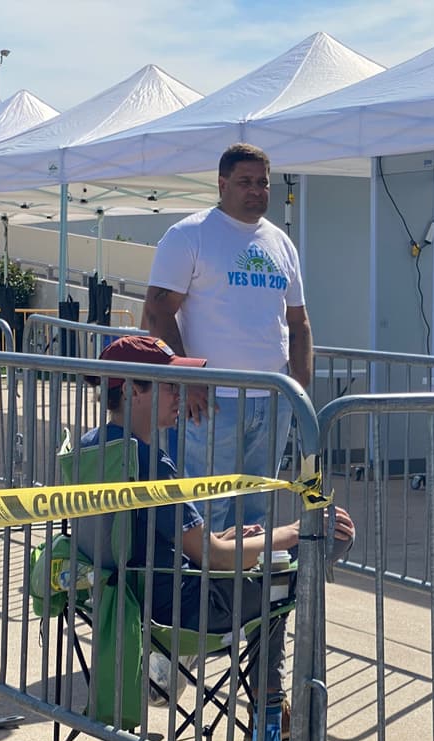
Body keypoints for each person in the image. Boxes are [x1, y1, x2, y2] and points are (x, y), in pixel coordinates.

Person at [73, 335, 353, 709]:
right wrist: (293, 532)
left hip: (125, 598)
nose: (181, 394)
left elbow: (142, 537)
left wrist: (225, 536)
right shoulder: (150, 462)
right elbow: (215, 558)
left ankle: (187, 673)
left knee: (272, 563)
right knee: (321, 545)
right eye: (170, 385)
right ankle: (270, 705)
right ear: (130, 392)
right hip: (182, 608)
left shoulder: (91, 447)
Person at [143, 142, 312, 530]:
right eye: (245, 182)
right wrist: (189, 379)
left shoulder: (281, 243)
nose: (256, 191)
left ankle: (242, 587)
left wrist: (297, 386)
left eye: (263, 183)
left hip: (271, 398)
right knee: (204, 510)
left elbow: (299, 320)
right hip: (210, 399)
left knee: (255, 509)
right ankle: (198, 589)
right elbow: (157, 311)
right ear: (222, 184)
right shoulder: (189, 235)